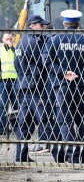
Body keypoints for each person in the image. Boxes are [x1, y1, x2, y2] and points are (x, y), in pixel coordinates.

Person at [42, 9, 84, 163]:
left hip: (62, 87)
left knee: (65, 121)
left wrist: (63, 73)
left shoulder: (55, 40)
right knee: (83, 121)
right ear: (79, 25)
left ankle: (72, 156)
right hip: (83, 87)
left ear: (64, 24)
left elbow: (46, 62)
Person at [14, 15, 55, 162]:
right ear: (32, 25)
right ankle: (61, 157)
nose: (43, 28)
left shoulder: (21, 42)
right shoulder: (34, 42)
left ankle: (21, 155)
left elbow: (16, 65)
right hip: (36, 86)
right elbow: (43, 62)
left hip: (23, 86)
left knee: (24, 124)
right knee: (46, 120)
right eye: (41, 26)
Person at [0, 34, 18, 135]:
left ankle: (15, 127)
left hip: (14, 81)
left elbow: (20, 61)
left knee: (15, 105)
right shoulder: (1, 51)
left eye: (11, 39)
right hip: (3, 81)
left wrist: (13, 49)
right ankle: (3, 128)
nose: (9, 41)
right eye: (7, 39)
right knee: (3, 105)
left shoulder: (15, 50)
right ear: (3, 40)